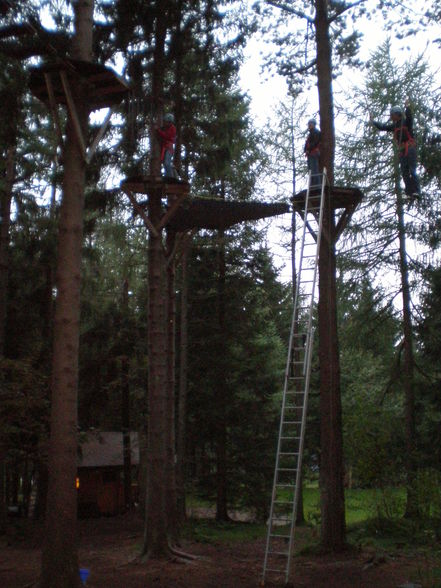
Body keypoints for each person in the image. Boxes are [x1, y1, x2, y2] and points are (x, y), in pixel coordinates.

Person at [371, 99, 421, 199]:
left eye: (391, 114)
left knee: (412, 170)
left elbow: (410, 117)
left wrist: (407, 107)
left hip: (410, 148)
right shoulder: (394, 126)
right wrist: (373, 121)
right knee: (404, 172)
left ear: (396, 114)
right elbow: (383, 127)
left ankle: (416, 191)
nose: (391, 117)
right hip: (402, 150)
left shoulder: (406, 122)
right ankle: (409, 192)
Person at [156, 113, 178, 179]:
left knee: (167, 163)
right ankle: (169, 175)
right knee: (165, 163)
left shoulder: (173, 128)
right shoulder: (168, 128)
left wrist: (158, 131)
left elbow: (167, 136)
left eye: (166, 122)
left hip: (169, 148)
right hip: (166, 147)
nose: (165, 123)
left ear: (170, 122)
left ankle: (171, 177)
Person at [304, 118, 321, 188]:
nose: (309, 125)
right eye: (309, 124)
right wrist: (305, 150)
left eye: (311, 124)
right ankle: (313, 185)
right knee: (311, 170)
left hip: (314, 153)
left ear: (314, 125)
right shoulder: (310, 134)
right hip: (310, 154)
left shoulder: (316, 132)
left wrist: (308, 149)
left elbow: (315, 142)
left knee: (314, 170)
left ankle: (317, 186)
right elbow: (307, 143)